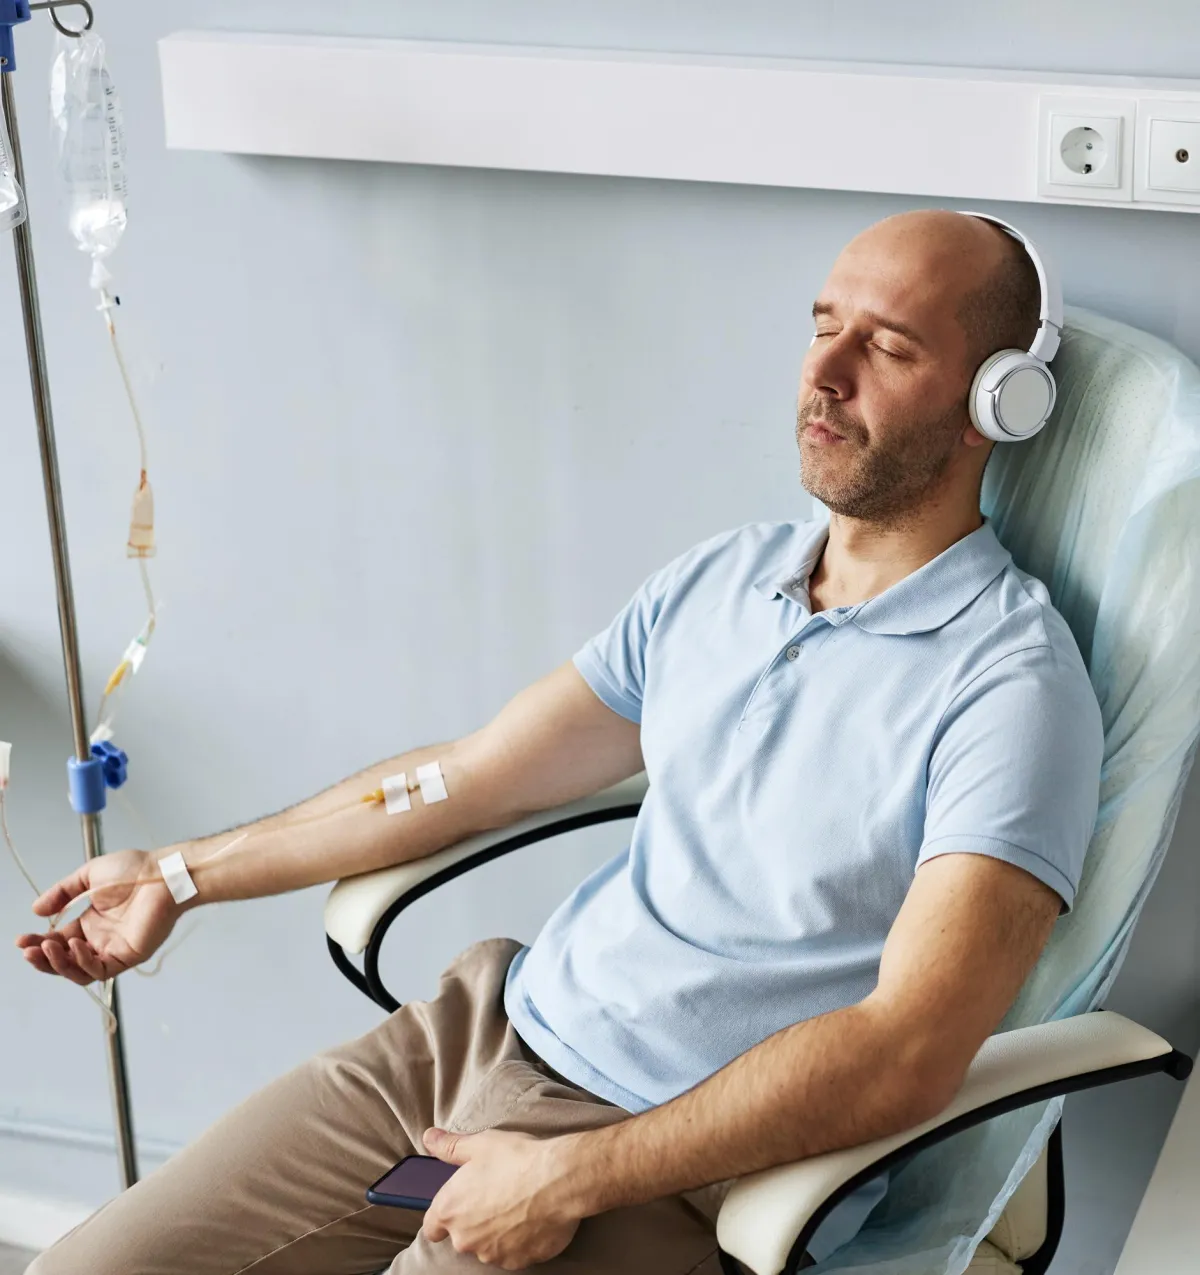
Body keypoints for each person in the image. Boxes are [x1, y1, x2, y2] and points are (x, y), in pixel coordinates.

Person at [18, 209, 1103, 1275]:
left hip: (674, 1155)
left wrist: (573, 1176)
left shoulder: (1009, 687)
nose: (825, 372)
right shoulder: (723, 582)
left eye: (887, 346)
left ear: (992, 404)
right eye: (823, 324)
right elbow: (468, 779)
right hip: (478, 1035)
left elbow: (905, 1054)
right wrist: (179, 873)